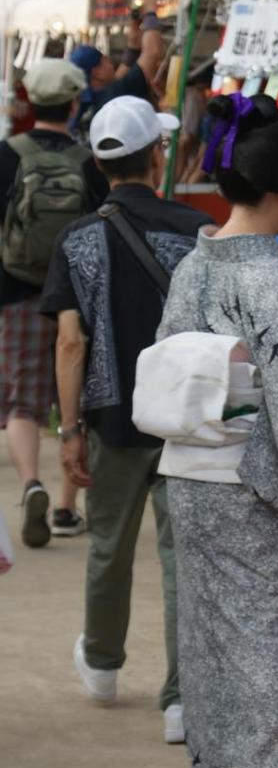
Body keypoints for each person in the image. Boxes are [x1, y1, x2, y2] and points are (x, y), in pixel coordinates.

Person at [134, 92, 278, 768]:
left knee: (207, 621)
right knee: (274, 620)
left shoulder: (196, 264)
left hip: (190, 468)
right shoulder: (274, 282)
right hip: (256, 479)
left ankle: (211, 761)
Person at [40, 96, 214, 743]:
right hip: (186, 420)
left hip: (113, 419)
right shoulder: (197, 230)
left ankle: (103, 664)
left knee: (108, 547)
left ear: (99, 163)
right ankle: (180, 699)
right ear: (157, 155)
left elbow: (70, 344)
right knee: (182, 558)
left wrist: (70, 430)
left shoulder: (77, 239)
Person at [0, 59, 109, 546]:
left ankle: (31, 483)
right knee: (76, 402)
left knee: (22, 403)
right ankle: (66, 508)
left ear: (30, 100)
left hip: (16, 289)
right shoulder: (88, 161)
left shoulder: (6, 155)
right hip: (76, 298)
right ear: (74, 103)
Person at [70, 0, 165, 132]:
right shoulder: (115, 96)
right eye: (104, 61)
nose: (111, 63)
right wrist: (150, 13)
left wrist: (133, 47)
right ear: (96, 73)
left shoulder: (84, 103)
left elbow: (121, 75)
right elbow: (153, 52)